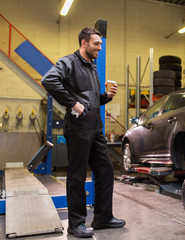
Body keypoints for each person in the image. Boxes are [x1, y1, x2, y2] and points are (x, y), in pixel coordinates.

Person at [42, 27, 125, 238]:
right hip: (78, 127)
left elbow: (90, 99)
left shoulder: (91, 66)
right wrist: (72, 103)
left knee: (106, 170)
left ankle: (103, 217)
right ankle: (76, 223)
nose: (99, 47)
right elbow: (48, 80)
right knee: (77, 175)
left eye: (100, 44)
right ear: (84, 43)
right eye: (96, 43)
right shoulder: (68, 62)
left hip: (95, 126)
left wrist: (105, 96)